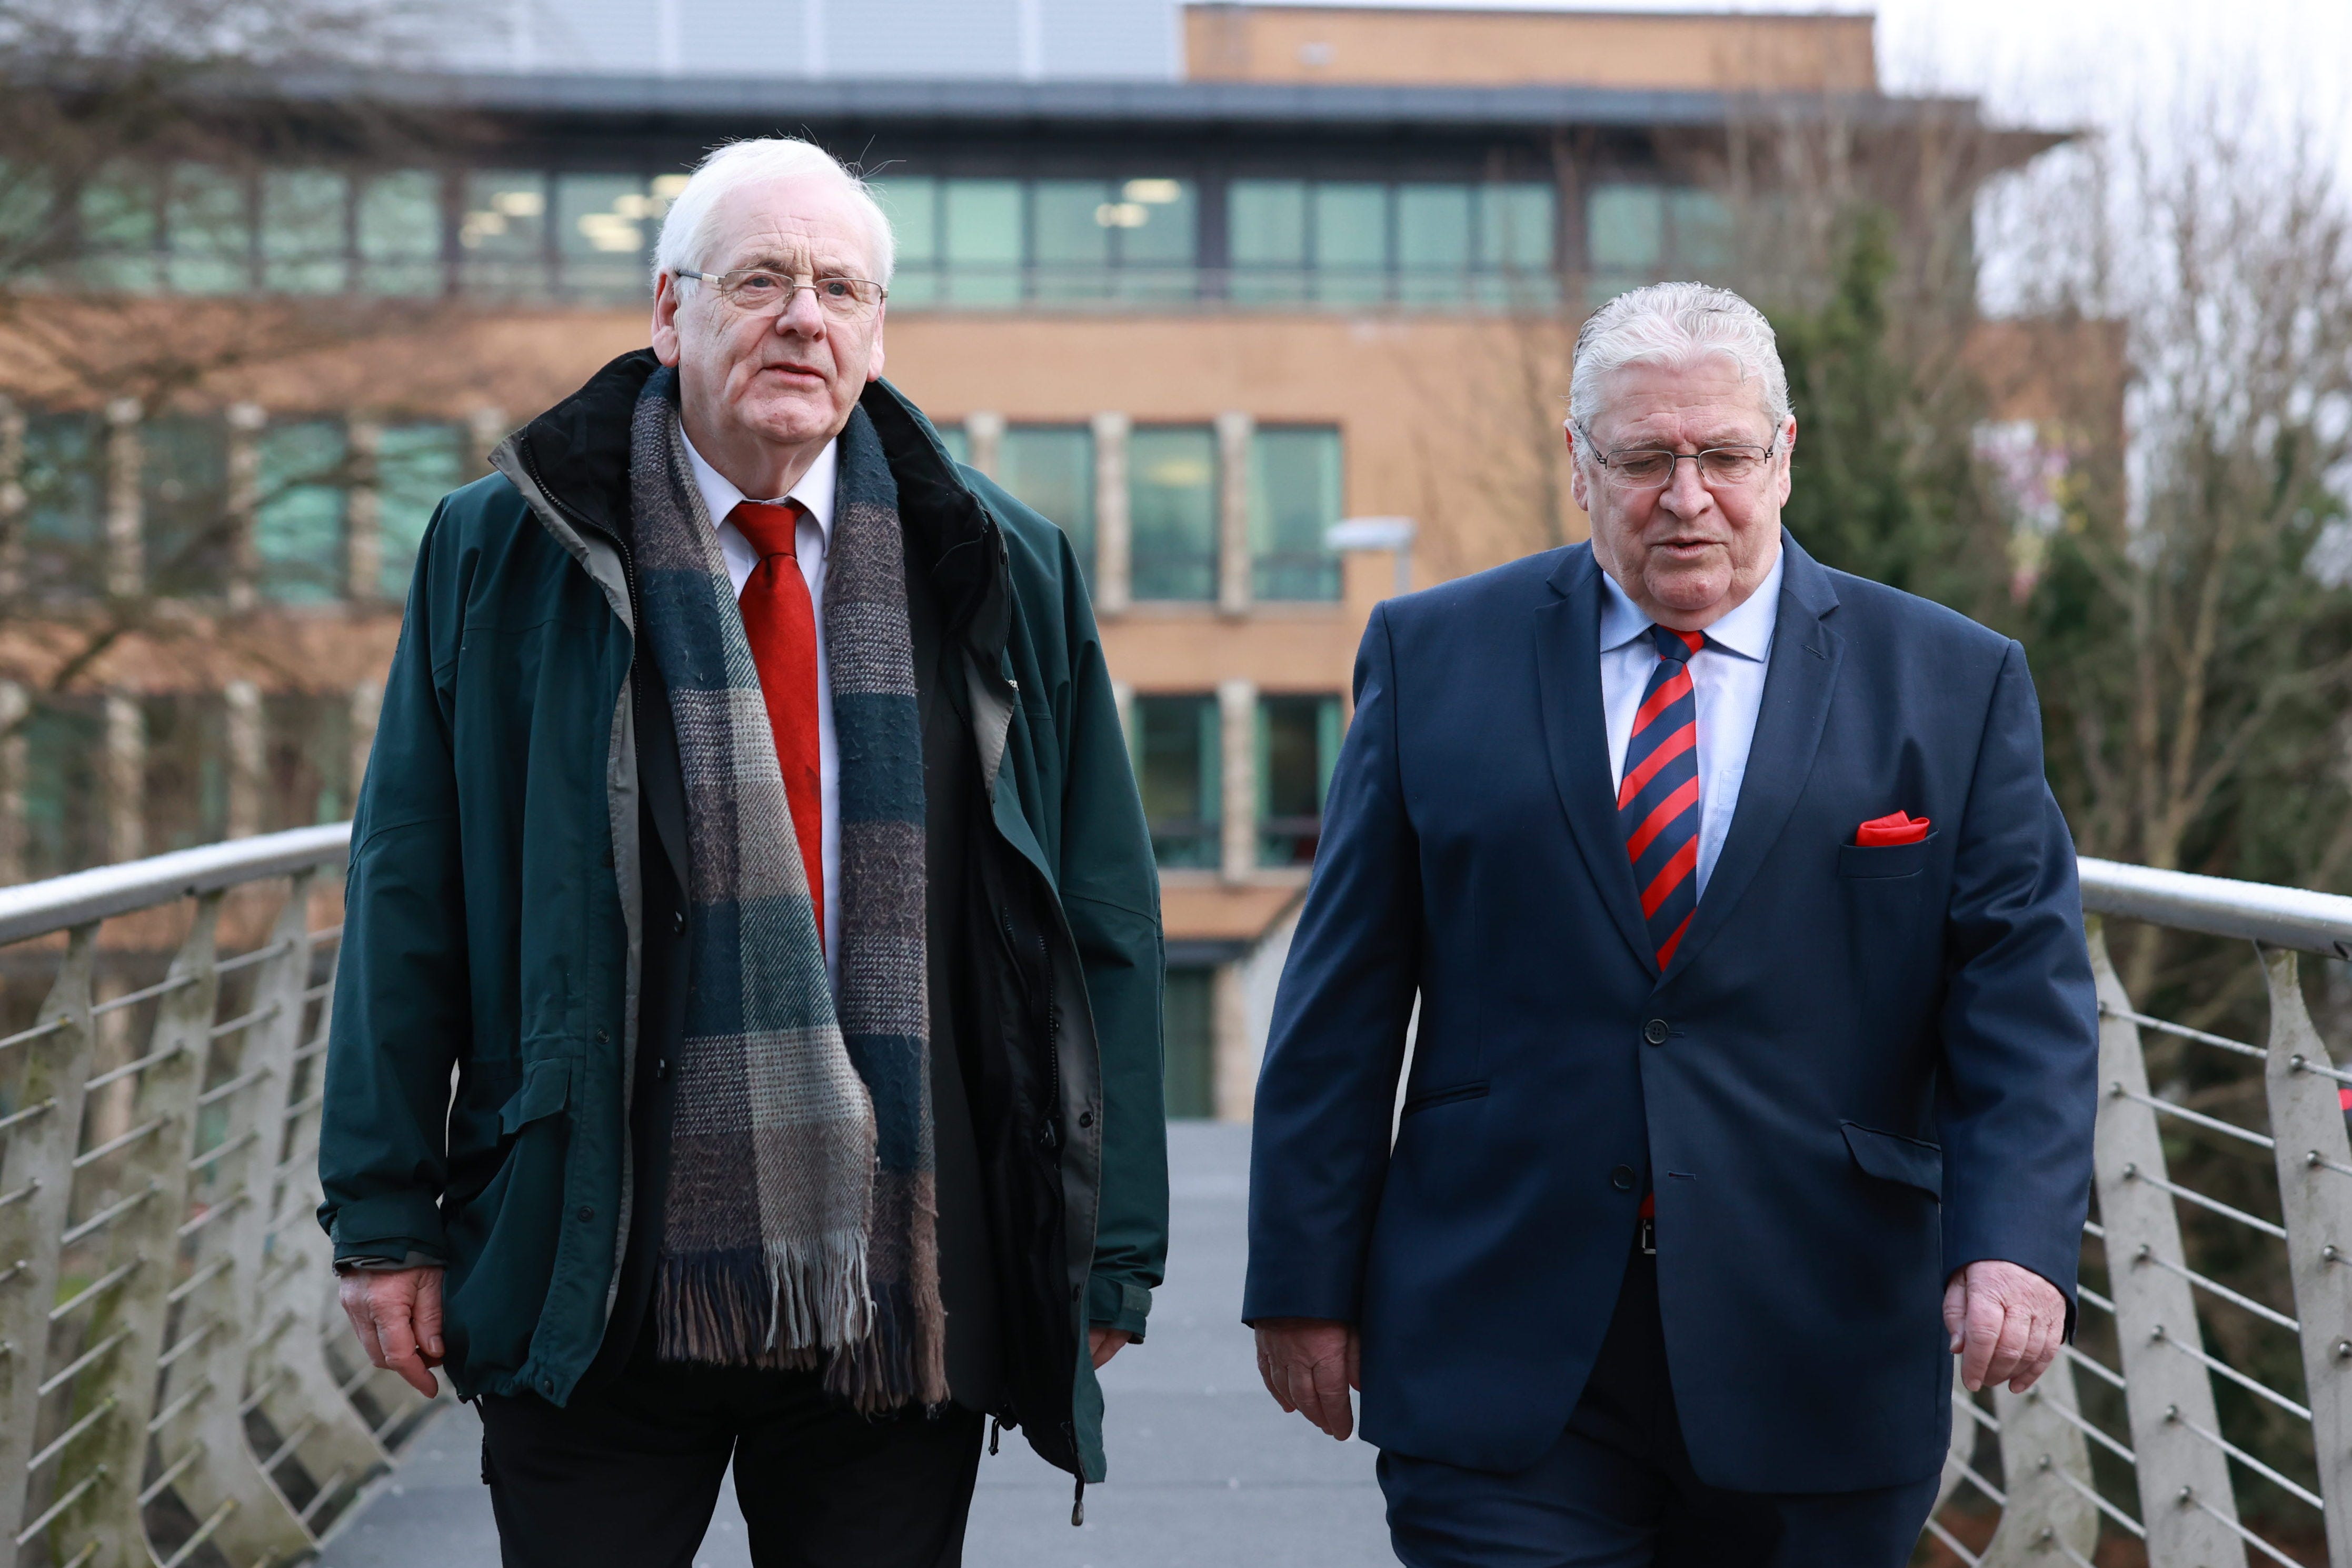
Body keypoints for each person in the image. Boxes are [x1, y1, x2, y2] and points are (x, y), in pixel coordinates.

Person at [316, 136, 1168, 1568]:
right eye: (760, 278)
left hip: (909, 1265)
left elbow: (1101, 914)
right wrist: (385, 1214)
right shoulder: (504, 544)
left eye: (841, 287)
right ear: (668, 311)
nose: (804, 317)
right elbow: (414, 881)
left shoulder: (997, 558)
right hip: (595, 1245)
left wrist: (1109, 1237)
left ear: (878, 329)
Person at [1243, 281, 2097, 1567]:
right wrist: (1302, 1282)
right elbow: (1343, 996)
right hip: (1501, 1337)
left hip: (1818, 1341)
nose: (1685, 495)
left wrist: (2014, 1244)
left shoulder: (1951, 682)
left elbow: (2023, 990)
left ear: (1784, 455)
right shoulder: (1432, 656)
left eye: (1722, 456)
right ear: (1576, 463)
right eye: (1644, 458)